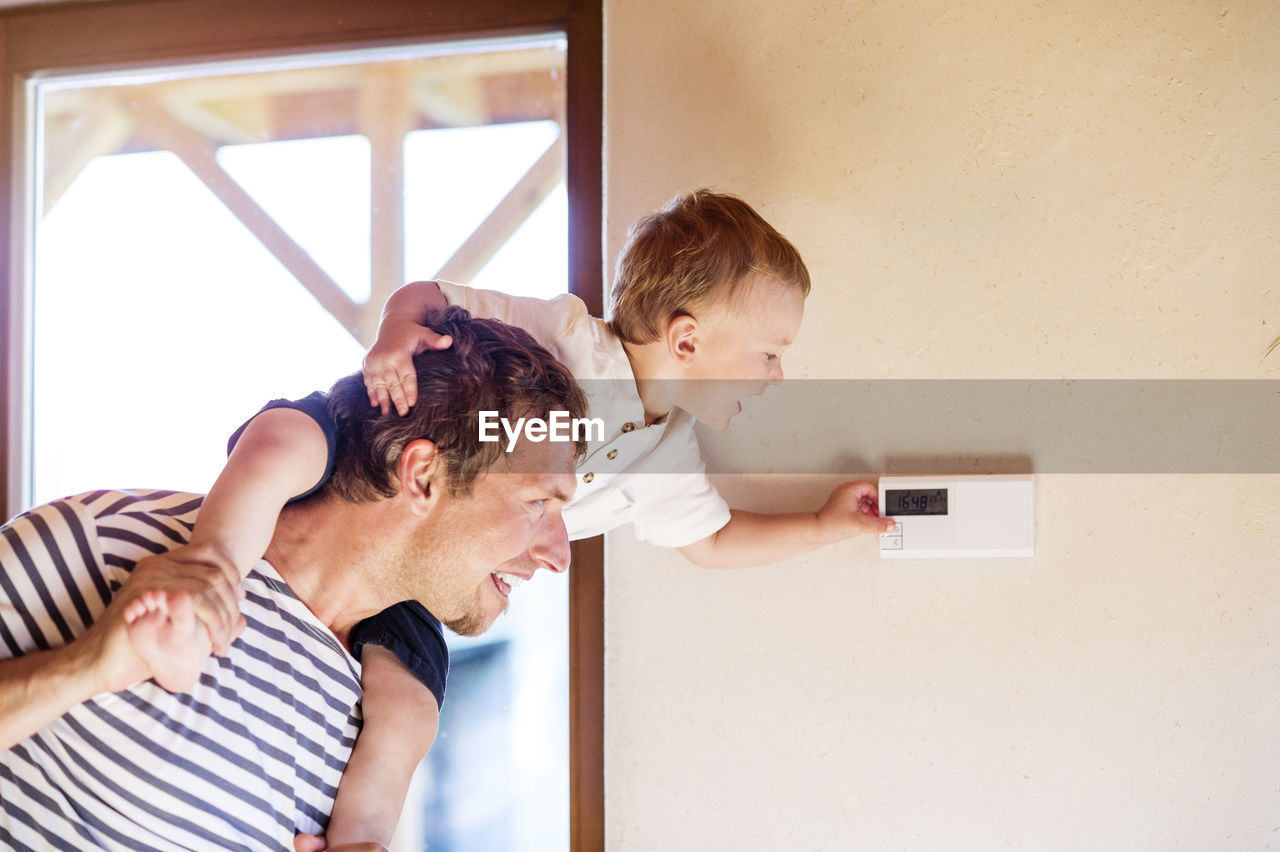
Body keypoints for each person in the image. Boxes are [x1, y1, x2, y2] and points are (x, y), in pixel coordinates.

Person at [146, 189, 896, 846]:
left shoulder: (668, 454)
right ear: (687, 338)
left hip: (428, 578)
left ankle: (361, 839)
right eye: (768, 353)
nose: (777, 374)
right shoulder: (563, 335)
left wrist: (826, 525)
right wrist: (394, 340)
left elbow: (716, 539)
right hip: (359, 452)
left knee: (409, 710)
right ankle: (204, 579)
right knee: (281, 444)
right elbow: (426, 296)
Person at [0, 307, 586, 852]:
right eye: (538, 502)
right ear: (424, 476)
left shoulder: (388, 705)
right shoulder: (104, 539)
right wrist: (88, 667)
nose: (560, 554)